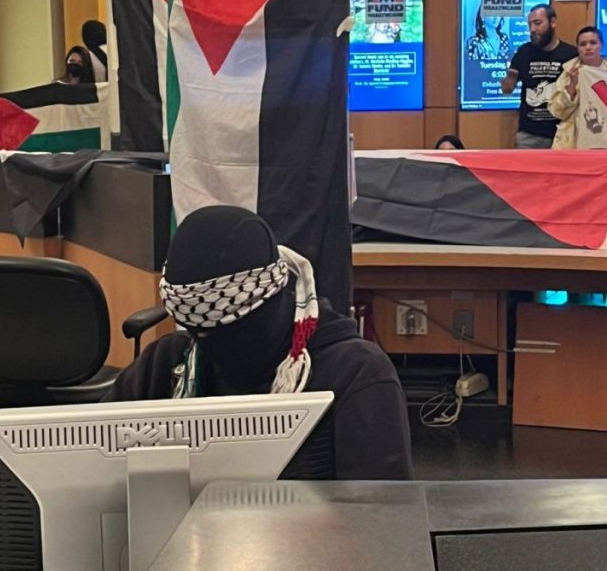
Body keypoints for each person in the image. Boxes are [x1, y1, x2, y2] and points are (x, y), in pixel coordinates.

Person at [103, 206, 413, 481]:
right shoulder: (169, 364)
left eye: (227, 327)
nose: (213, 345)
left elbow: (379, 513)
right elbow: (92, 453)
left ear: (271, 300)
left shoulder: (354, 372)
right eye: (198, 331)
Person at [500, 4, 577, 149]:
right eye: (530, 25)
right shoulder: (524, 52)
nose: (533, 29)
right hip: (529, 135)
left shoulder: (570, 54)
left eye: (537, 23)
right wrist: (507, 83)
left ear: (553, 22)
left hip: (561, 133)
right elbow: (508, 88)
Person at [549, 27, 607, 149]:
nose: (588, 47)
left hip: (606, 138)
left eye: (593, 43)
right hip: (574, 140)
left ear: (601, 45)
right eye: (583, 44)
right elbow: (557, 112)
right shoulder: (569, 72)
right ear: (578, 48)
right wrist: (572, 85)